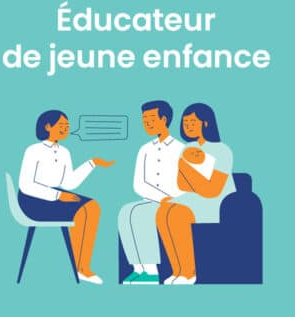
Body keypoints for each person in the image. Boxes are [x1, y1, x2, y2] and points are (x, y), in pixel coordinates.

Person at [17, 110, 115, 284]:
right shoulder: (33, 150)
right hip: (31, 200)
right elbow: (26, 185)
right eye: (61, 125)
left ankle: (82, 266)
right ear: (48, 126)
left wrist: (92, 163)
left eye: (67, 126)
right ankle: (80, 268)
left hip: (56, 195)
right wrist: (57, 195)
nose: (65, 129)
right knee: (83, 210)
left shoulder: (64, 152)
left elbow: (69, 183)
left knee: (92, 206)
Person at [156, 103, 234, 285]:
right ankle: (178, 271)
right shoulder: (186, 149)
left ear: (206, 123)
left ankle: (189, 272)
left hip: (220, 200)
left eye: (192, 121)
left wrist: (185, 166)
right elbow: (182, 184)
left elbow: (213, 189)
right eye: (185, 122)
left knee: (177, 213)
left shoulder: (222, 150)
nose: (188, 125)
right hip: (194, 197)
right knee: (162, 211)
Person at [118, 100, 185, 285]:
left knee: (141, 214)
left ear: (164, 119)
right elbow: (138, 183)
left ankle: (151, 271)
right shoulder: (145, 149)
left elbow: (183, 182)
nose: (146, 123)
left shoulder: (181, 149)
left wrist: (170, 198)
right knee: (125, 211)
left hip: (176, 201)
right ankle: (138, 268)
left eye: (150, 118)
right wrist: (160, 197)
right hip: (152, 199)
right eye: (144, 119)